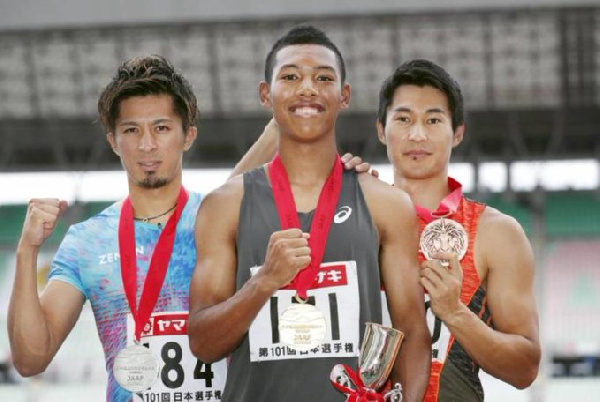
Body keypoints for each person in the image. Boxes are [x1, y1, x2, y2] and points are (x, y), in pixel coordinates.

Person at [8, 54, 281, 402]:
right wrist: (27, 250)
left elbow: (259, 170)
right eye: (131, 130)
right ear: (113, 140)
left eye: (162, 128)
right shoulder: (87, 241)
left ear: (189, 135)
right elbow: (31, 358)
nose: (147, 144)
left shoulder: (218, 220)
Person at [187, 25, 431, 402]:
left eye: (323, 78)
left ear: (344, 95)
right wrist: (263, 282)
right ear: (266, 94)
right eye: (290, 77)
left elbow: (412, 329)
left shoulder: (386, 203)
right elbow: (203, 343)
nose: (307, 89)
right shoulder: (224, 205)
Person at [377, 59, 541, 401]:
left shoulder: (496, 234)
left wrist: (455, 313)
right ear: (381, 129)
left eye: (433, 120)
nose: (417, 134)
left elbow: (525, 368)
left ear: (458, 132)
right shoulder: (349, 219)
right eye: (404, 119)